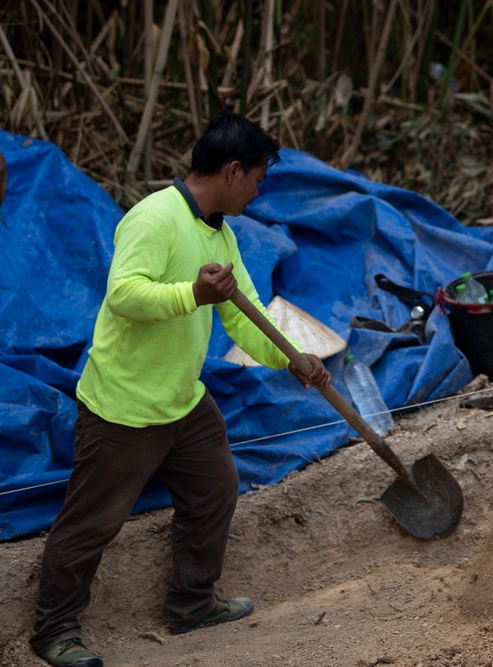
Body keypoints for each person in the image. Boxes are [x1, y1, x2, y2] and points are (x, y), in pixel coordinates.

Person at [30, 112, 332, 667]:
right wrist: (192, 293)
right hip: (125, 406)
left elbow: (245, 316)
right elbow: (125, 295)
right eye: (259, 179)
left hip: (183, 400)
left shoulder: (219, 232)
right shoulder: (154, 219)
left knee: (216, 488)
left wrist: (291, 359)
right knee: (91, 524)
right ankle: (54, 631)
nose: (259, 192)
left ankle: (192, 605)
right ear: (233, 170)